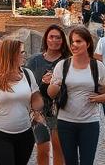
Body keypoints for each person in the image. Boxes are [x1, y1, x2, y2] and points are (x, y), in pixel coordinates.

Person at [48, 25, 105, 165]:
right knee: (70, 162)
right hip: (65, 122)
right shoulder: (62, 65)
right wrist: (55, 85)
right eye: (72, 42)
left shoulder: (97, 66)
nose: (74, 45)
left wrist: (98, 98)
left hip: (90, 123)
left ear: (88, 43)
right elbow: (51, 94)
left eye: (78, 41)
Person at [0, 39, 43, 165]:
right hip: (1, 135)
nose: (24, 55)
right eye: (21, 52)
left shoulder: (27, 74)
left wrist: (37, 109)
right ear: (11, 54)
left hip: (25, 134)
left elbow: (36, 97)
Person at [26, 24, 71, 164]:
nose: (55, 40)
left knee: (59, 148)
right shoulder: (34, 60)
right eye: (51, 37)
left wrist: (57, 83)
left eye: (58, 38)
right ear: (46, 39)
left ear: (63, 41)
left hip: (61, 109)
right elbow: (28, 86)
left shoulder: (68, 61)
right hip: (39, 111)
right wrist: (43, 83)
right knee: (42, 148)